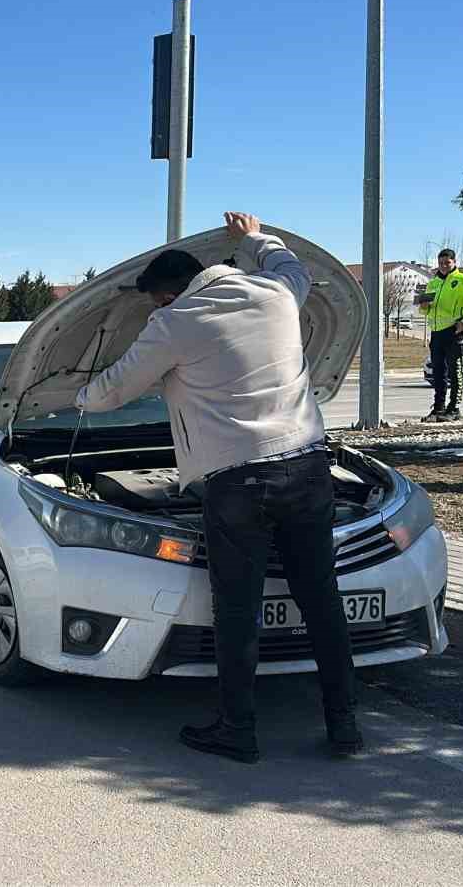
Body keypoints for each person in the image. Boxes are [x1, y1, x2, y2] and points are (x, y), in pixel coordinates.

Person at [75, 212, 360, 763]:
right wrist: (253, 239)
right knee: (321, 600)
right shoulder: (276, 294)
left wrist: (78, 397)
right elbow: (293, 267)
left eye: (157, 300)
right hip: (308, 467)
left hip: (239, 481)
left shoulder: (175, 321)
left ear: (167, 293)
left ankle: (237, 729)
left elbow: (114, 390)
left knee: (237, 609)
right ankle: (344, 723)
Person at [418, 249, 463, 422]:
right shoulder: (433, 283)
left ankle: (454, 408)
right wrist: (424, 306)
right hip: (436, 333)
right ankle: (438, 409)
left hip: (453, 332)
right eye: (441, 263)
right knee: (438, 372)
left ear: (454, 262)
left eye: (447, 263)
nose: (444, 266)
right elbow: (426, 310)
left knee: (455, 372)